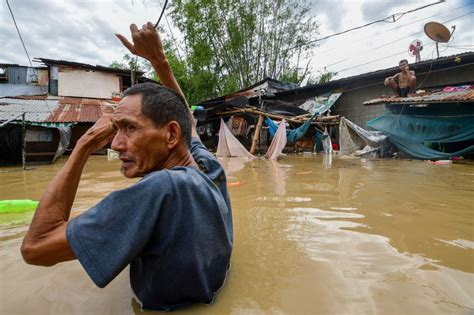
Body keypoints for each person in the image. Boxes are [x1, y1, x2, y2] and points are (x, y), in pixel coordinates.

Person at [21, 22, 232, 311]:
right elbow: (187, 120)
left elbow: (35, 248)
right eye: (115, 129)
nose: (115, 144)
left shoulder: (159, 189)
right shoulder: (208, 167)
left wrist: (83, 147)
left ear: (170, 135)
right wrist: (159, 61)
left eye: (129, 129)